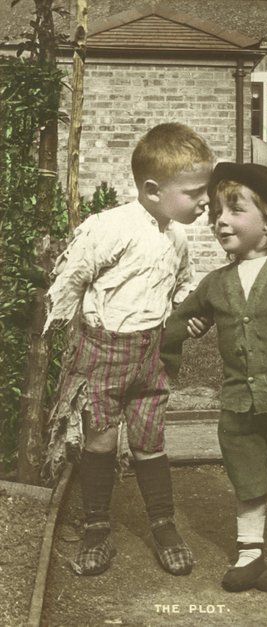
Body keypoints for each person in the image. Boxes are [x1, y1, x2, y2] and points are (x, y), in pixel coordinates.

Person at [42, 123, 214, 577]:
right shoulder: (110, 227)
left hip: (151, 356)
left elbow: (179, 288)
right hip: (102, 354)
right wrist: (67, 332)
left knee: (149, 441)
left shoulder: (176, 237)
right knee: (100, 440)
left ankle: (163, 523)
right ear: (154, 190)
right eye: (195, 192)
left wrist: (187, 313)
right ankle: (98, 527)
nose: (205, 202)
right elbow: (71, 278)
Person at [161, 162, 267, 593]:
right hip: (239, 404)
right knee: (247, 476)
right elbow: (180, 321)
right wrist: (176, 350)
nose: (221, 220)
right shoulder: (218, 282)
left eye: (235, 210)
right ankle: (250, 552)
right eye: (217, 211)